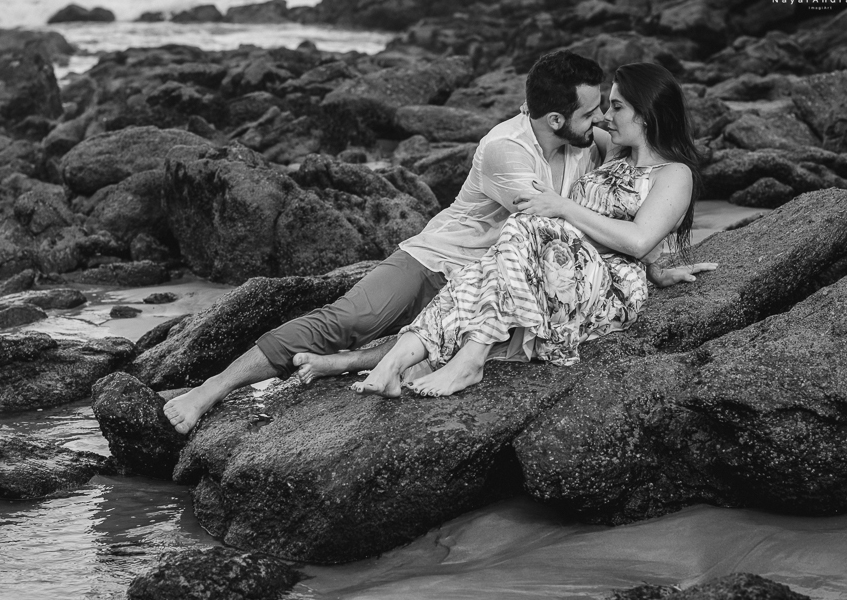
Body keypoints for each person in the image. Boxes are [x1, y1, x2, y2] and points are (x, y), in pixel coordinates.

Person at [163, 53, 709, 434]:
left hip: (508, 274)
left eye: (608, 109)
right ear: (556, 118)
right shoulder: (507, 150)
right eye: (594, 113)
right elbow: (555, 217)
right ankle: (212, 388)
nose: (602, 122)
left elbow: (634, 209)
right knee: (348, 318)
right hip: (441, 258)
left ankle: (352, 364)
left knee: (429, 333)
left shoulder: (592, 145)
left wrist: (657, 263)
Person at [351, 62, 704, 398]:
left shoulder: (674, 174)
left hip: (605, 283)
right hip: (552, 260)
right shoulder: (614, 147)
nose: (605, 117)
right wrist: (535, 105)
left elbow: (640, 241)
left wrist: (563, 207)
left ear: (645, 114)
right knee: (483, 270)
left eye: (616, 107)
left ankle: (464, 360)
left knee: (526, 222)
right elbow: (555, 120)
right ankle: (397, 363)